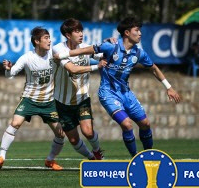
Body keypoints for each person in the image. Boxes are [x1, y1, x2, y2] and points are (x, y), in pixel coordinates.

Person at [54, 17, 182, 157]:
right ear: (127, 32)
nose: (140, 34)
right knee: (127, 124)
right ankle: (135, 158)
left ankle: (148, 155)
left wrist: (168, 87)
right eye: (137, 30)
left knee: (145, 124)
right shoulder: (111, 47)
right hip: (107, 93)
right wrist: (61, 55)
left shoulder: (139, 53)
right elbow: (86, 51)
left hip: (126, 93)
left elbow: (153, 68)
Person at [0, 27, 65, 170]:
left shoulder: (54, 53)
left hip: (49, 101)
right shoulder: (27, 58)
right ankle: (1, 157)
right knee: (15, 123)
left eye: (49, 37)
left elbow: (74, 53)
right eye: (46, 38)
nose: (49, 40)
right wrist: (8, 69)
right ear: (37, 41)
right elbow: (10, 75)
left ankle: (50, 160)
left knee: (60, 133)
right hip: (30, 98)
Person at [50, 19, 106, 164]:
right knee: (74, 140)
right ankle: (91, 157)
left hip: (82, 98)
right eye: (76, 31)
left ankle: (97, 152)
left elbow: (104, 54)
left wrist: (110, 44)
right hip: (62, 102)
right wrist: (96, 67)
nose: (81, 34)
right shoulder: (58, 49)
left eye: (81, 30)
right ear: (68, 35)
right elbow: (72, 69)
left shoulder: (86, 48)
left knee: (87, 131)